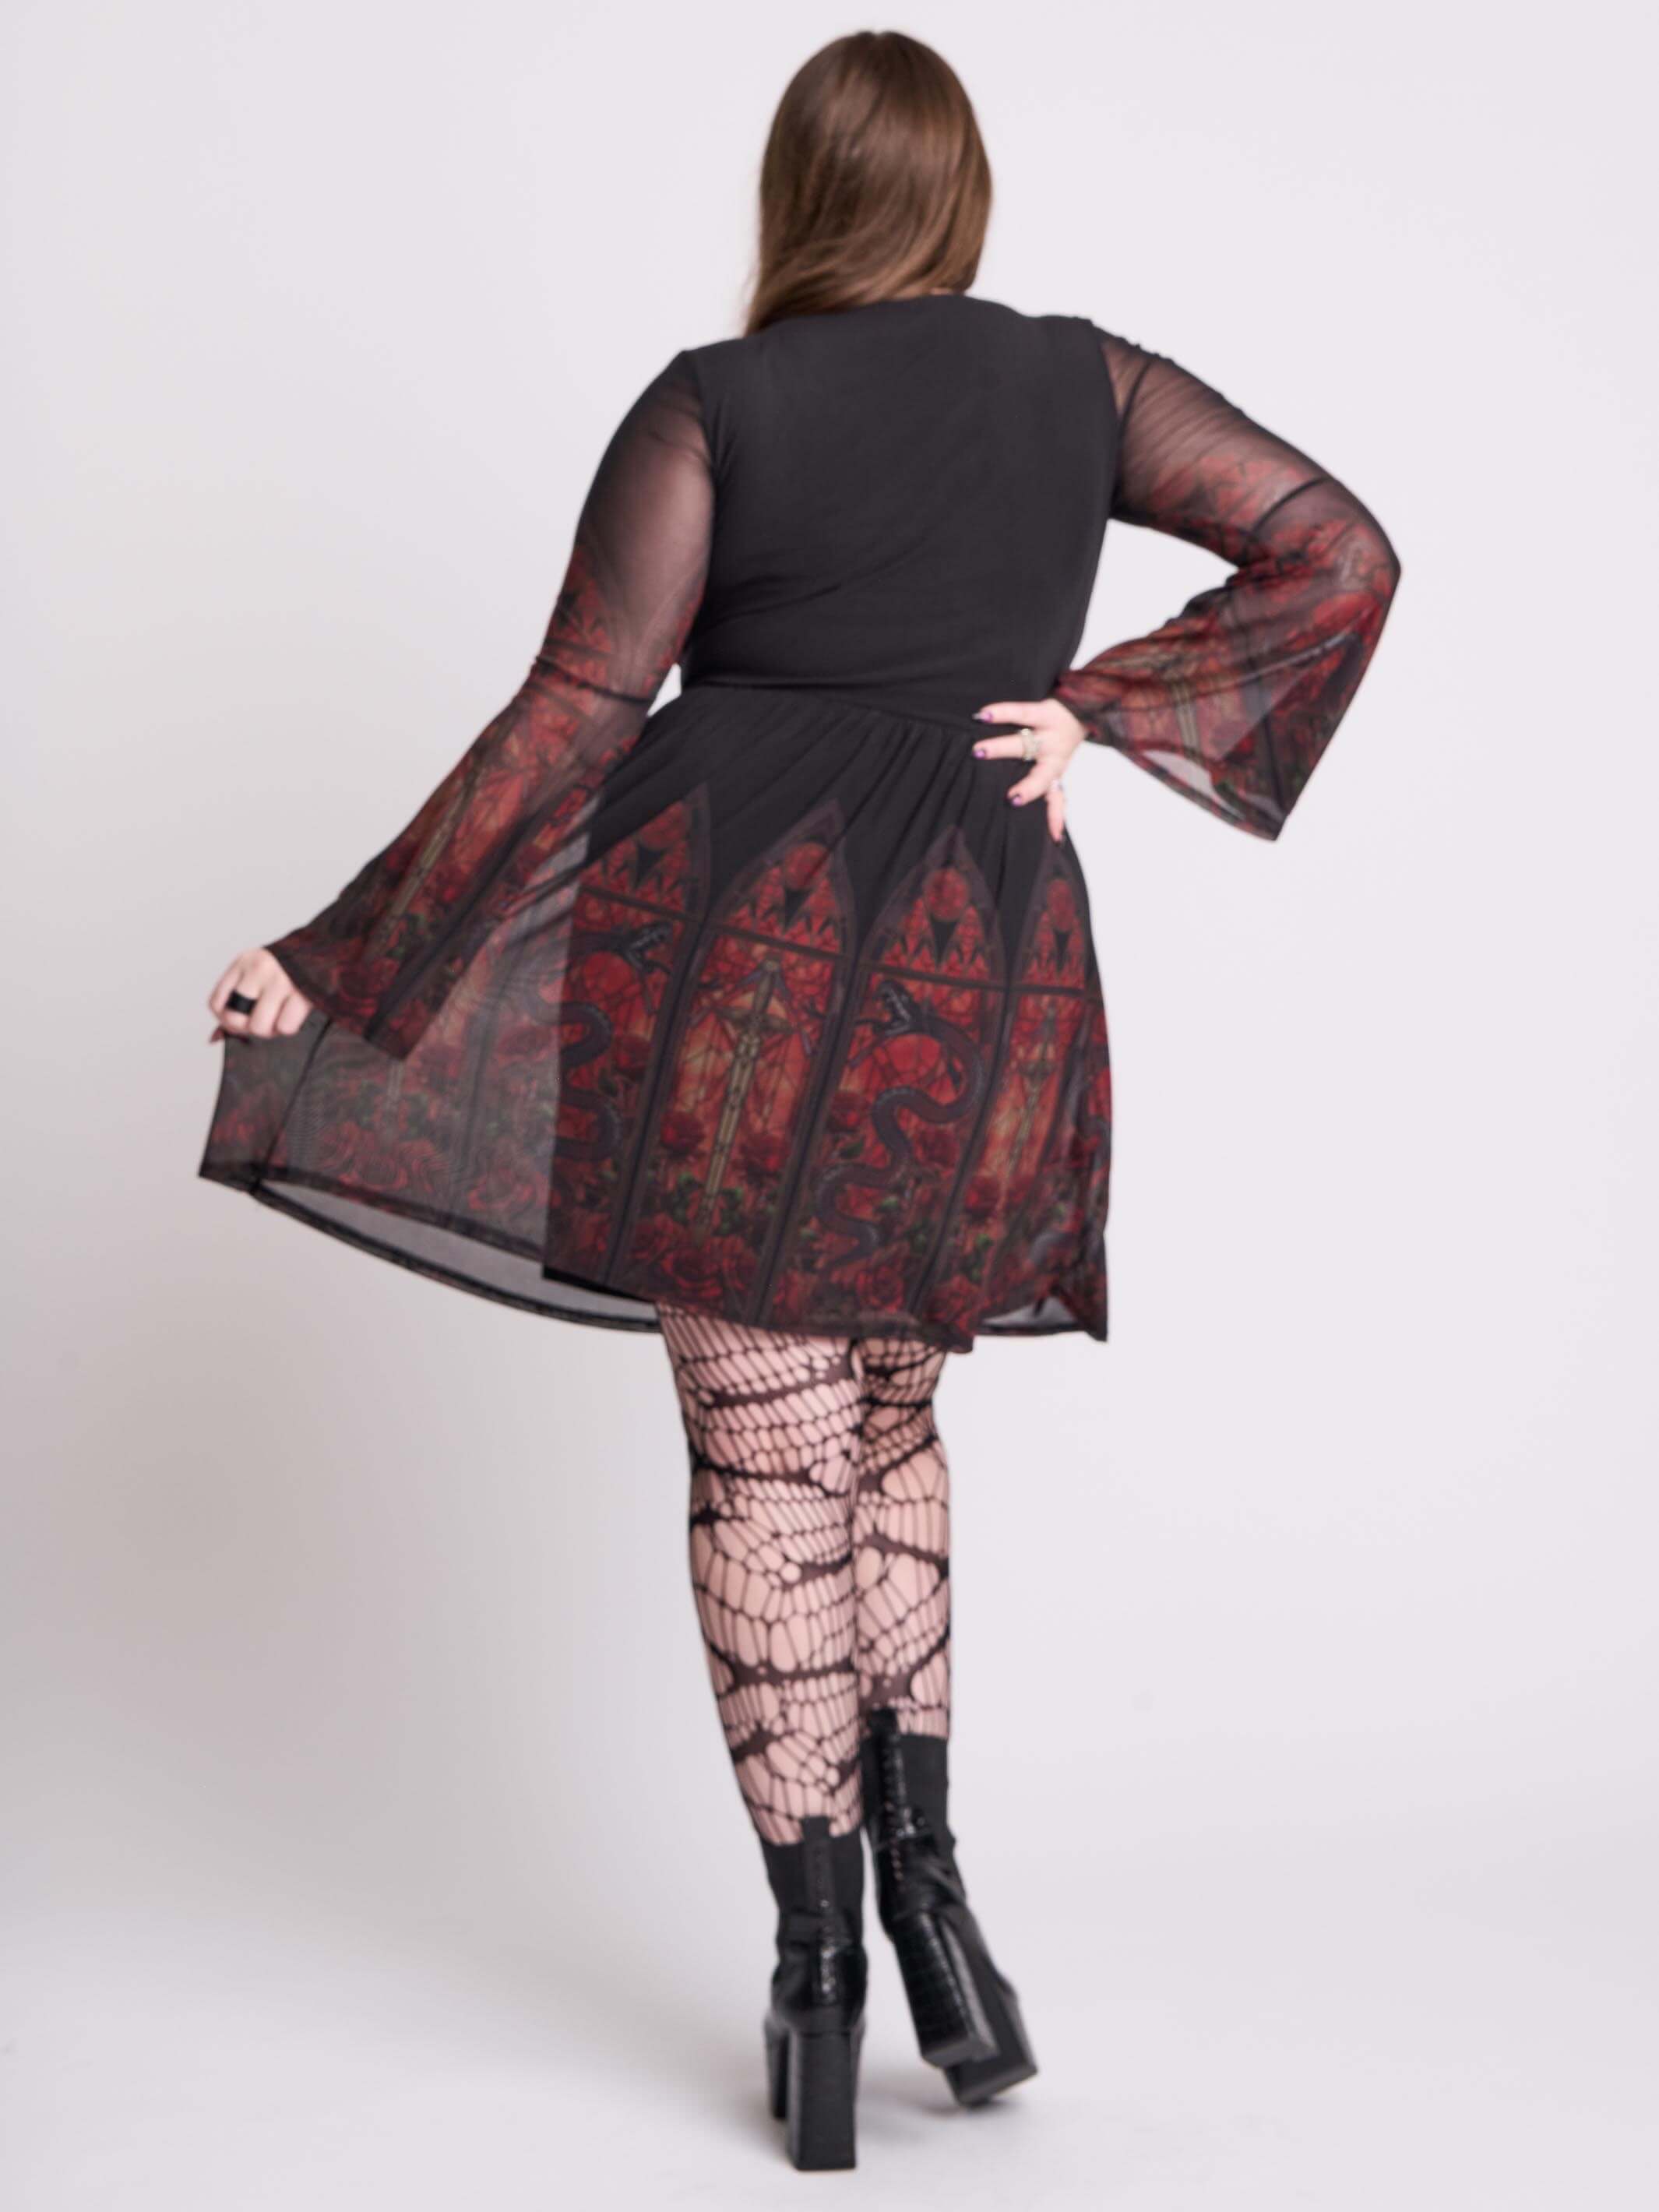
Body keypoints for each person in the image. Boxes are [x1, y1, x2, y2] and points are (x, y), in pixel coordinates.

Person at [198, 29, 1400, 2172]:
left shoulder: (715, 401)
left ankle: (820, 1974)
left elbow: (579, 707)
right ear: (959, 196)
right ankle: (942, 1925)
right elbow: (1335, 547)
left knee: (767, 1459)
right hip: (966, 962)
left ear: (797, 199)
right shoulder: (1085, 384)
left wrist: (339, 954)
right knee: (885, 1429)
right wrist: (1106, 714)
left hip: (725, 964)